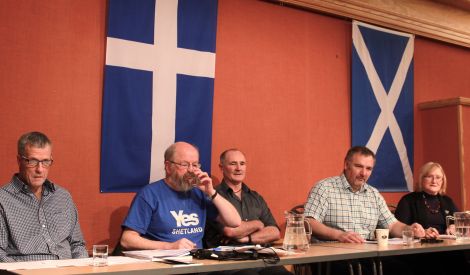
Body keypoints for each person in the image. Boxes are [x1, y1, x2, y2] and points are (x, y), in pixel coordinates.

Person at [304, 146, 431, 275]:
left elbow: (392, 225)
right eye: (359, 166)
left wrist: (410, 229)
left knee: (408, 268)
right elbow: (309, 222)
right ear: (347, 165)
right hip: (333, 256)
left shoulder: (373, 194)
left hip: (368, 254)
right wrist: (339, 235)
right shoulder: (324, 188)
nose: (363, 173)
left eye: (368, 168)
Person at [120, 142, 241, 250]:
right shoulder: (149, 194)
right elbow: (127, 240)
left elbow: (234, 222)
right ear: (168, 167)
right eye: (184, 164)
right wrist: (168, 246)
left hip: (197, 264)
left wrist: (211, 192)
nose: (191, 170)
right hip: (163, 264)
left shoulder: (199, 193)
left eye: (194, 165)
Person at [0, 131, 88, 262]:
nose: (40, 169)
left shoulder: (63, 197)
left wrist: (80, 268)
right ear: (19, 160)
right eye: (33, 161)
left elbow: (78, 245)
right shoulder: (3, 199)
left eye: (46, 161)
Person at [204, 149, 292, 275]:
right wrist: (257, 223)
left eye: (242, 164)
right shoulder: (213, 196)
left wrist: (247, 238)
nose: (239, 168)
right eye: (233, 164)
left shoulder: (255, 197)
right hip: (228, 264)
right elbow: (231, 231)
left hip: (260, 260)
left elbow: (275, 232)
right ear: (221, 167)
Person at [395, 162, 458, 235]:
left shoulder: (447, 201)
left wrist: (454, 227)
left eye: (438, 177)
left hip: (446, 243)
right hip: (419, 244)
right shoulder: (408, 200)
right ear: (422, 179)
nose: (434, 181)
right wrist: (420, 233)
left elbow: (460, 221)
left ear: (442, 181)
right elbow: (399, 229)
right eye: (429, 176)